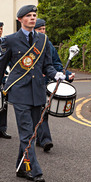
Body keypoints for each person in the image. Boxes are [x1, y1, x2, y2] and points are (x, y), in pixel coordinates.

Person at [0, 5, 66, 182]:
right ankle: (36, 172)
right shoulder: (10, 40)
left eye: (34, 15)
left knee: (32, 132)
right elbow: (1, 66)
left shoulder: (43, 39)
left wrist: (55, 74)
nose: (33, 18)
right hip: (19, 92)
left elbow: (46, 65)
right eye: (28, 16)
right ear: (20, 20)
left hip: (37, 92)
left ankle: (21, 168)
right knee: (27, 134)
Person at [34, 19, 75, 152]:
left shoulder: (48, 44)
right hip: (32, 83)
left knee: (43, 111)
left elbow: (56, 64)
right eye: (40, 29)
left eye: (44, 29)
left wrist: (67, 74)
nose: (43, 31)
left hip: (46, 83)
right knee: (37, 111)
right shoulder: (28, 44)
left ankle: (43, 139)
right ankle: (42, 139)